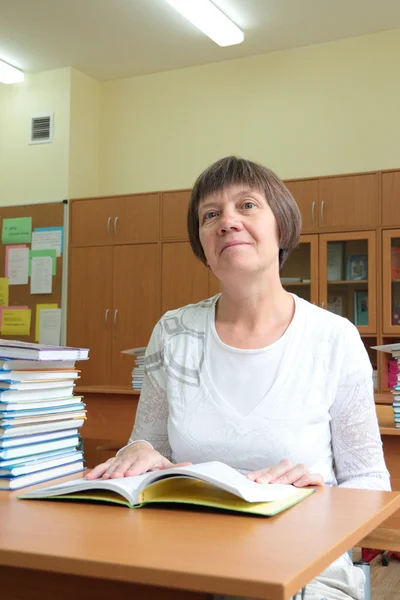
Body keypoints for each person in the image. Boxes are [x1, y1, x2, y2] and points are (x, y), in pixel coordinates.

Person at [87, 156, 390, 600]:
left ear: (281, 228)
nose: (227, 222)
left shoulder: (334, 338)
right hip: (186, 558)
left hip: (302, 565)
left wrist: (315, 495)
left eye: (247, 205)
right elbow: (151, 447)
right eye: (211, 215)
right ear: (203, 246)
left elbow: (370, 484)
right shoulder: (173, 332)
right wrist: (138, 450)